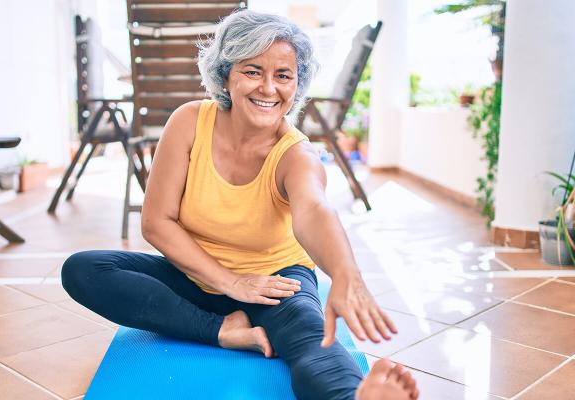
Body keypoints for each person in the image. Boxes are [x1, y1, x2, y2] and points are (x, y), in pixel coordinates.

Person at [62, 10, 419, 400]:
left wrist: (345, 272)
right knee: (84, 269)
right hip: (194, 274)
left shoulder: (296, 155)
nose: (268, 88)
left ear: (296, 86)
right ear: (225, 74)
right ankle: (223, 330)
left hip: (273, 282)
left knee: (312, 340)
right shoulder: (189, 122)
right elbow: (157, 222)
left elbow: (314, 211)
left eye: (283, 75)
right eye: (252, 71)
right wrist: (230, 283)